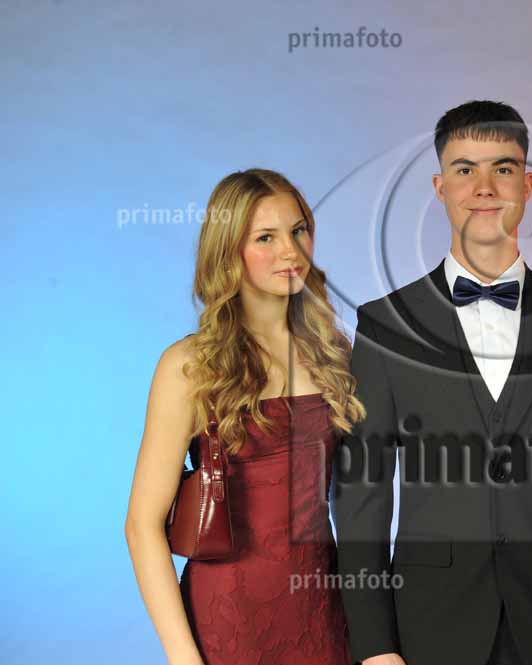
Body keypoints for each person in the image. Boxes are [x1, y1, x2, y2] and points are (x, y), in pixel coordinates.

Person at [335, 100, 532, 665]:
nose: (484, 187)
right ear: (440, 187)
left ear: (526, 185)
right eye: (464, 169)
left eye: (502, 168)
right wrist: (375, 647)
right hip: (428, 627)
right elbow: (361, 497)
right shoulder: (385, 325)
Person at [124, 168, 364, 665]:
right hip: (229, 618)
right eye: (265, 238)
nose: (290, 251)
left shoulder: (333, 354)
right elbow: (142, 525)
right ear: (229, 249)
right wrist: (183, 657)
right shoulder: (189, 365)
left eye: (299, 230)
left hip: (323, 610)